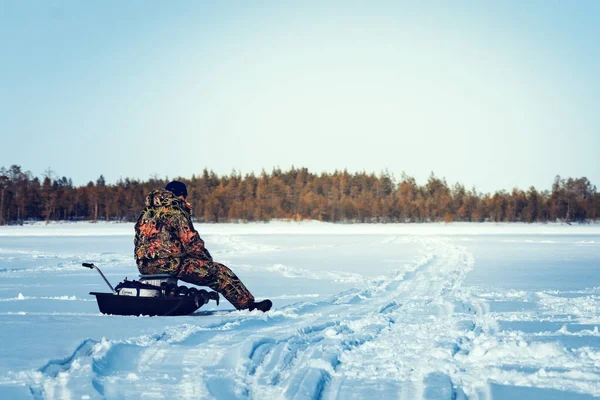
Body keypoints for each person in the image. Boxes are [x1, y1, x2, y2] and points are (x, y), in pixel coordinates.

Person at [134, 181, 272, 312]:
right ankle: (248, 306)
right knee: (220, 273)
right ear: (181, 195)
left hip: (144, 265)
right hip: (170, 264)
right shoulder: (176, 212)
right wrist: (206, 261)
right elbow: (192, 243)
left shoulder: (146, 213)